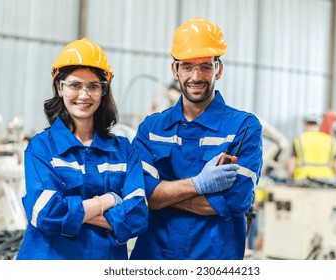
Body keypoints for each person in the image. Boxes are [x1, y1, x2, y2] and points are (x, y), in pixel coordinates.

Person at [129, 17, 263, 260]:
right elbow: (140, 194)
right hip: (153, 259)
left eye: (205, 66)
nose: (196, 76)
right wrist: (198, 185)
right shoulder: (152, 127)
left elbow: (236, 201)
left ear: (218, 69)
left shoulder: (243, 127)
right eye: (188, 66)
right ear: (175, 70)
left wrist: (162, 196)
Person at [16, 38, 148, 260]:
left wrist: (71, 213)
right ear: (60, 87)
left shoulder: (124, 152)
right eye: (75, 85)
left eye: (93, 86)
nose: (84, 95)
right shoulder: (42, 148)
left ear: (103, 91)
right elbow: (45, 213)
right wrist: (107, 201)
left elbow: (137, 215)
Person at [287, 113, 336, 181]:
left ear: (305, 125)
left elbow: (291, 169)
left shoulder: (298, 140)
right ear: (319, 125)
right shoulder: (331, 141)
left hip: (302, 181)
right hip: (326, 182)